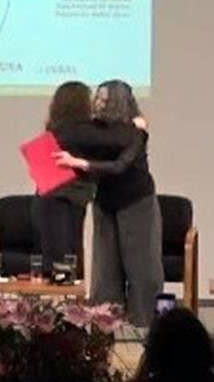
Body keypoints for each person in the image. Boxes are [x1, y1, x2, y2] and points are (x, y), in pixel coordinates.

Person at [54, 80, 163, 328]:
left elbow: (120, 166)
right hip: (105, 202)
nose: (98, 103)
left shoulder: (134, 131)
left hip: (136, 202)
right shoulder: (94, 131)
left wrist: (80, 163)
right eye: (97, 98)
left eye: (105, 99)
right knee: (105, 271)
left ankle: (143, 327)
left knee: (140, 268)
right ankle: (104, 327)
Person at [33, 81, 142, 275]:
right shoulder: (77, 130)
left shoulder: (60, 129)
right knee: (65, 262)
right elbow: (116, 140)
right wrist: (136, 127)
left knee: (67, 258)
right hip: (60, 202)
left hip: (58, 201)